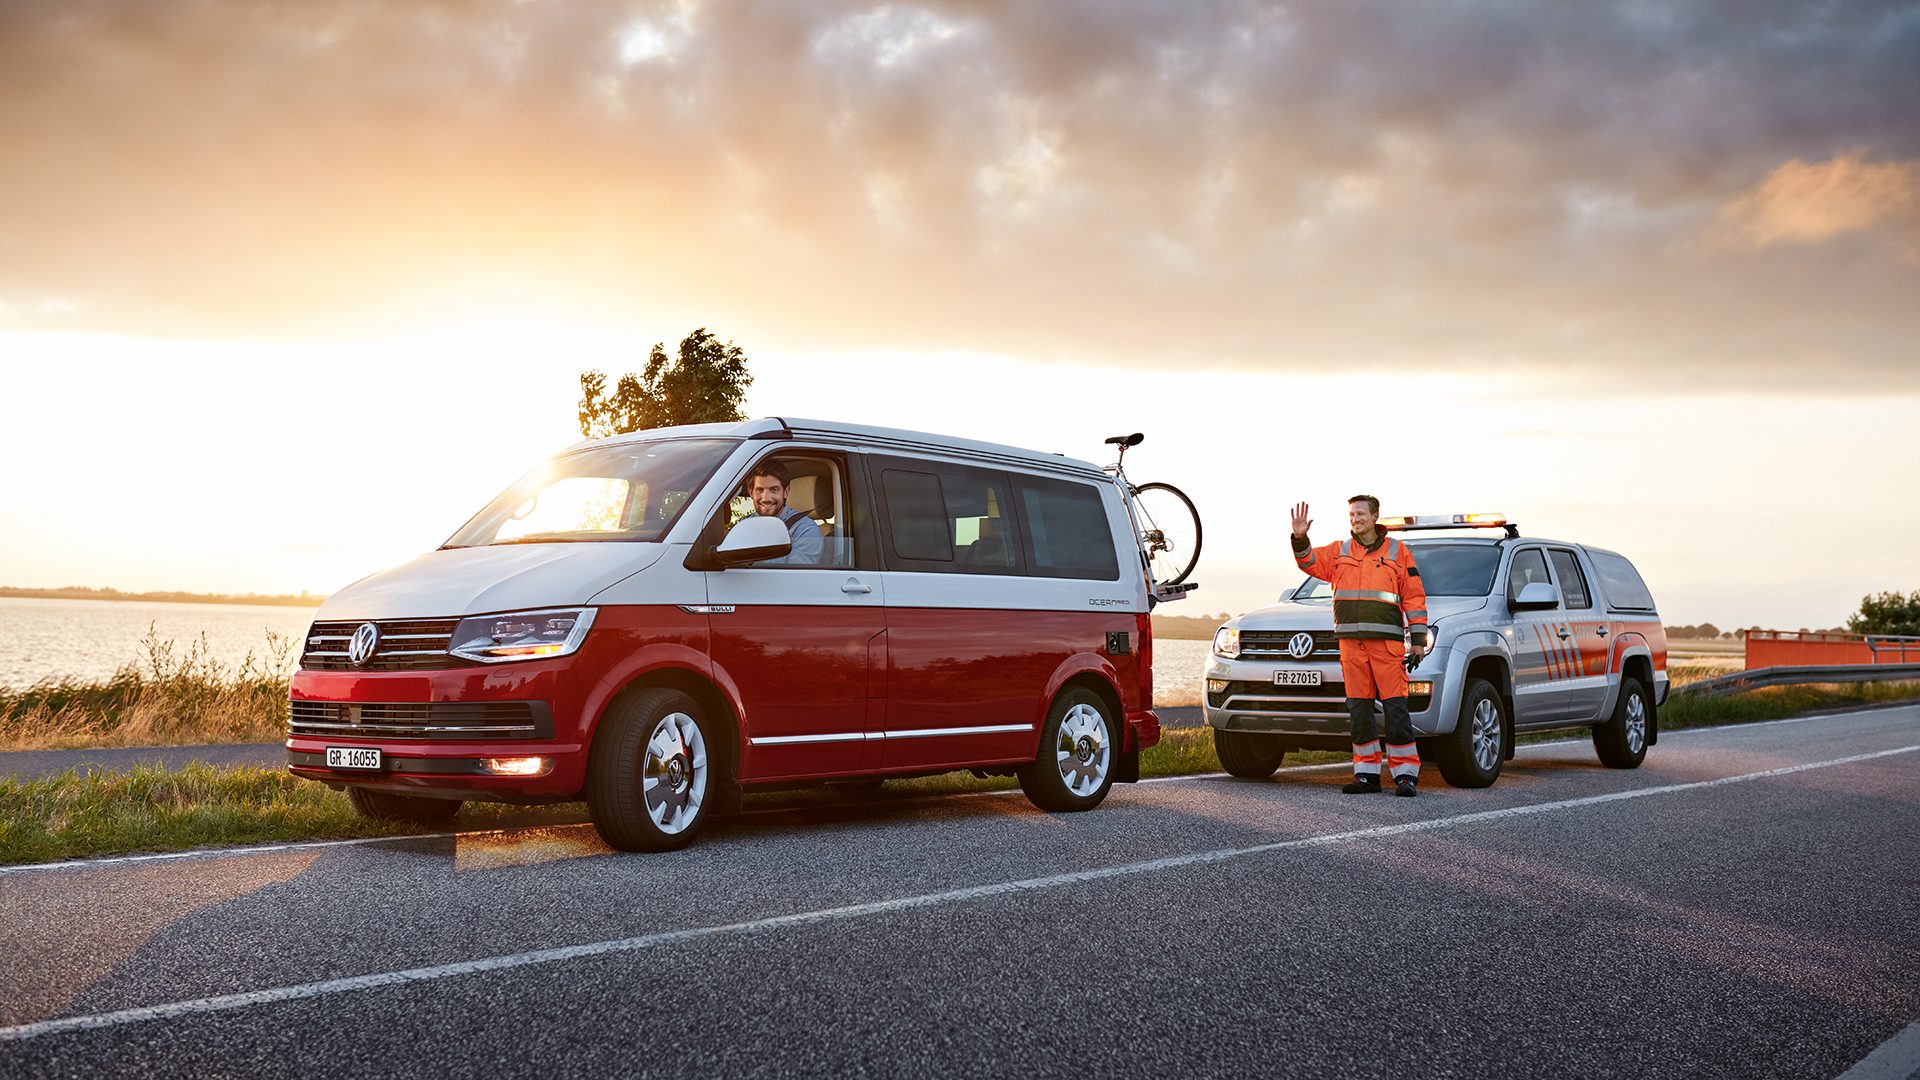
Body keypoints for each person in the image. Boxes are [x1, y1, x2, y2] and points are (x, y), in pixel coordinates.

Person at [1290, 495, 1432, 797]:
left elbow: (1414, 597)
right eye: (1352, 514)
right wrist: (1300, 538)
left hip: (1386, 645)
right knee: (1359, 710)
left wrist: (1418, 641)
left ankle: (1405, 775)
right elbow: (1309, 562)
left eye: (1361, 514)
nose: (1356, 519)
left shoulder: (1398, 552)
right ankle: (1366, 774)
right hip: (1351, 646)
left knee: (1395, 710)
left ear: (1375, 516)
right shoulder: (1339, 551)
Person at [747, 462, 823, 566]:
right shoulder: (744, 525)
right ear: (751, 493)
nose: (766, 498)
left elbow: (793, 578)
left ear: (786, 492)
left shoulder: (805, 530)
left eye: (774, 490)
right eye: (760, 490)